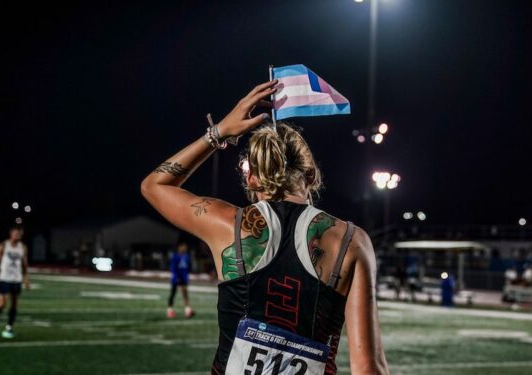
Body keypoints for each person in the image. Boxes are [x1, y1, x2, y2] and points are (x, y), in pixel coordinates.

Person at [141, 80, 389, 374]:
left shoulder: (228, 224)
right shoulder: (351, 240)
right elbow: (368, 367)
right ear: (311, 176)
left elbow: (154, 185)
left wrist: (218, 133)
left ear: (250, 179)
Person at [0, 227, 30, 339]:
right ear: (11, 234)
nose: (18, 235)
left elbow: (24, 265)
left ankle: (9, 327)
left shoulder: (23, 247)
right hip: (4, 278)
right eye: (16, 233)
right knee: (2, 303)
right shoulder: (3, 246)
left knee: (14, 305)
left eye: (19, 234)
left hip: (16, 279)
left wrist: (26, 280)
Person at [167, 242, 194, 318]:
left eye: (185, 247)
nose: (185, 248)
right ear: (179, 247)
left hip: (184, 278)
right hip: (176, 278)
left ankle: (188, 310)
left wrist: (186, 277)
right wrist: (177, 277)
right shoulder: (175, 257)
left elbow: (187, 268)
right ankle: (170, 310)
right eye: (183, 247)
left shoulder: (186, 257)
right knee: (173, 293)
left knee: (185, 293)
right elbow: (173, 268)